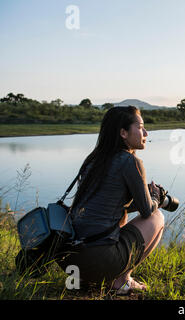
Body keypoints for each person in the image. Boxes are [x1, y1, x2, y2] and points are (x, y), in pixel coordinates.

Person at [57, 106, 165, 295]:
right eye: (140, 127)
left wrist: (142, 196)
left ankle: (88, 279)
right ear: (123, 133)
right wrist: (156, 197)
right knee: (157, 217)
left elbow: (107, 205)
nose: (146, 133)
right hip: (99, 260)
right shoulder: (130, 161)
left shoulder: (93, 160)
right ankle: (122, 282)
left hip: (70, 262)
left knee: (121, 219)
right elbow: (147, 211)